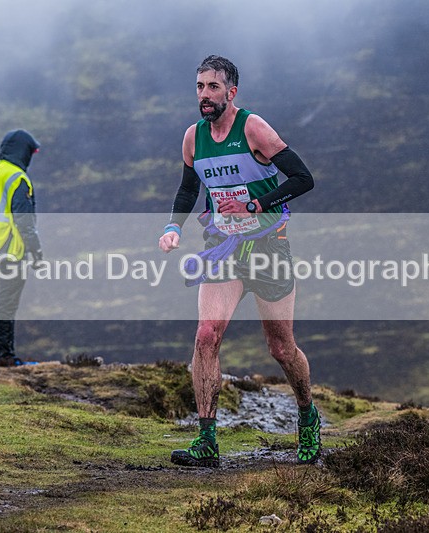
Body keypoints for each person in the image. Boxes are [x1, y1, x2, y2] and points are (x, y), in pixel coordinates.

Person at [158, 55, 320, 467]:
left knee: (281, 349)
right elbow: (187, 189)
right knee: (206, 336)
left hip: (268, 247)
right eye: (199, 87)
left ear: (231, 92)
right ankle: (207, 440)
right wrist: (173, 227)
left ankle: (307, 416)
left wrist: (255, 204)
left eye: (213, 87)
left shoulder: (253, 128)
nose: (205, 95)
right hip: (223, 249)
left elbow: (303, 179)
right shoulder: (193, 137)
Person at [0, 129, 42, 367]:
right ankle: (4, 357)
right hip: (13, 250)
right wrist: (36, 251)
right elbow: (24, 222)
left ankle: (4, 355)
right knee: (8, 303)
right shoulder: (17, 178)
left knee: (4, 301)